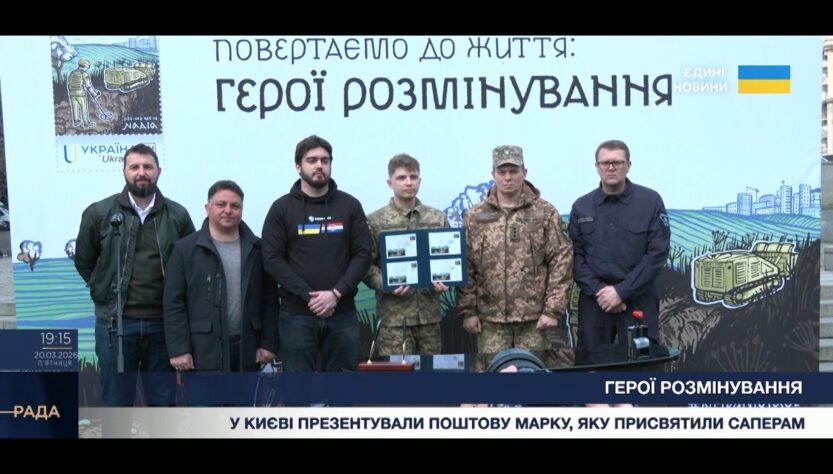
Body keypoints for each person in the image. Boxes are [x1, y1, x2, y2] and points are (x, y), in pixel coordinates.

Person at [74, 143, 195, 406]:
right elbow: (84, 260)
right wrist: (102, 288)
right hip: (115, 325)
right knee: (116, 403)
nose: (141, 172)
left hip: (163, 326)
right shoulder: (99, 213)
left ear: (158, 171)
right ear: (124, 172)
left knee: (162, 404)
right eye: (135, 167)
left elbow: (190, 265)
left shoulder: (177, 215)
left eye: (147, 166)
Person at [261, 135, 372, 372]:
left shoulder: (350, 206)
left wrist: (336, 293)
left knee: (342, 387)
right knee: (297, 388)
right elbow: (271, 259)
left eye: (325, 160)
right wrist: (308, 295)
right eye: (311, 160)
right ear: (298, 166)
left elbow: (363, 254)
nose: (319, 165)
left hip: (342, 313)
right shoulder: (281, 208)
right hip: (296, 316)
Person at [163, 180, 279, 405]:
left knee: (238, 420)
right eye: (221, 204)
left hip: (245, 352)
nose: (228, 210)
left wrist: (268, 343)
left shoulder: (258, 249)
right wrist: (179, 349)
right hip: (202, 354)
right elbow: (173, 303)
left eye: (235, 206)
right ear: (207, 208)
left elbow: (270, 299)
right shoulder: (184, 250)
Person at [457, 145, 573, 356]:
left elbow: (561, 261)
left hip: (535, 320)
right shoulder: (475, 216)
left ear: (524, 172)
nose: (508, 177)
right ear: (493, 174)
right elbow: (465, 265)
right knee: (494, 374)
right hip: (490, 321)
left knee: (532, 373)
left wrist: (552, 310)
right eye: (502, 172)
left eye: (513, 171)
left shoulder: (545, 212)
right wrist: (468, 311)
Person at [569, 139, 670, 354]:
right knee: (592, 363)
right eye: (605, 163)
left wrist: (622, 292)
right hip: (595, 302)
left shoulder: (650, 202)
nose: (611, 167)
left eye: (617, 162)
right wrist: (601, 292)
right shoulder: (581, 207)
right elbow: (575, 257)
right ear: (597, 167)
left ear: (628, 165)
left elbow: (657, 254)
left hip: (638, 299)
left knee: (641, 364)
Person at [363, 154, 450, 356]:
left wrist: (446, 279)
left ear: (420, 180)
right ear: (389, 182)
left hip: (430, 318)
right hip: (394, 320)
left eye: (413, 177)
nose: (408, 182)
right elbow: (365, 265)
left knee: (431, 373)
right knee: (398, 375)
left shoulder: (437, 218)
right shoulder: (375, 221)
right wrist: (387, 283)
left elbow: (448, 260)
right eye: (401, 177)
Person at [66, 57, 100, 129]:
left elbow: (68, 83)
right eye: (88, 66)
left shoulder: (72, 72)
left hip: (72, 93)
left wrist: (70, 91)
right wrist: (94, 94)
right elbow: (88, 86)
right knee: (83, 108)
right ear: (86, 66)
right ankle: (86, 123)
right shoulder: (84, 74)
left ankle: (76, 121)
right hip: (80, 94)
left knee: (74, 107)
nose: (88, 67)